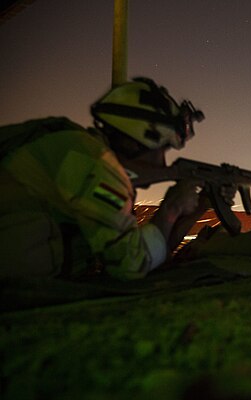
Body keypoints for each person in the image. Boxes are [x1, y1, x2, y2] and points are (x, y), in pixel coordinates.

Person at [0, 77, 233, 280]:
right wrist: (171, 208)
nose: (163, 164)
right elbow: (131, 265)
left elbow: (155, 253)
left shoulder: (84, 153)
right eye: (161, 150)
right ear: (136, 139)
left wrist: (198, 208)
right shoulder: (89, 159)